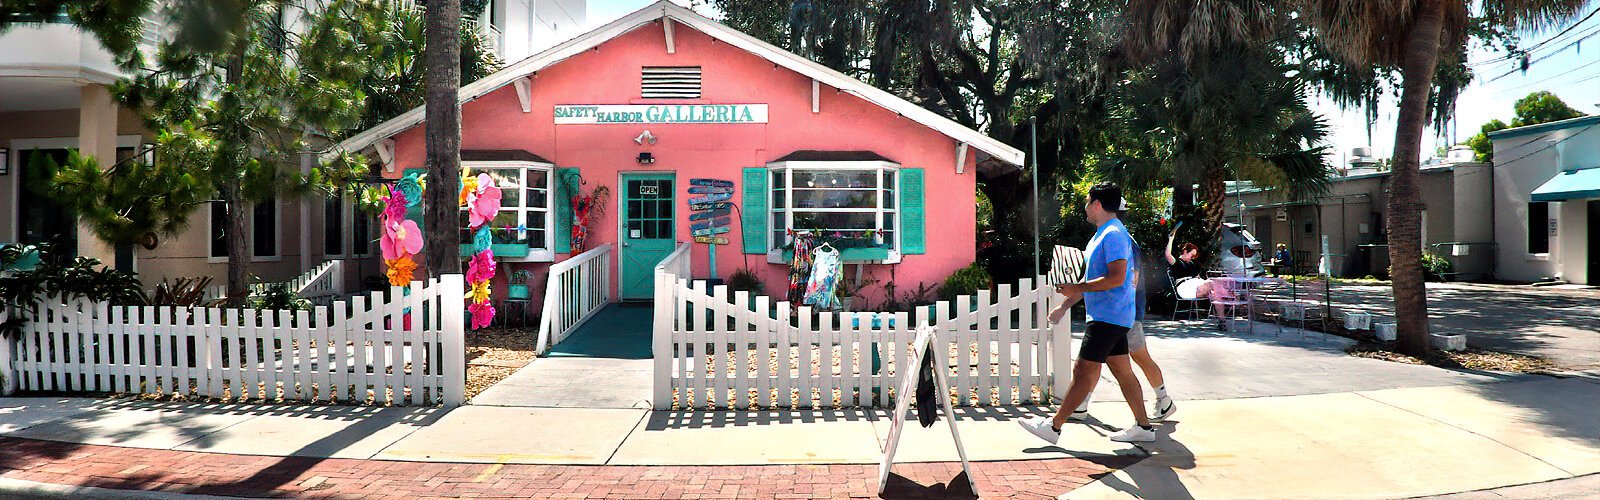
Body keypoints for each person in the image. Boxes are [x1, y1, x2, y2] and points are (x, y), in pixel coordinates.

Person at [1020, 183, 1157, 444]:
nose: (1084, 208)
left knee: (1083, 371)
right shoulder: (1101, 235)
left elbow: (1116, 278)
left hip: (1108, 316)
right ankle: (1144, 428)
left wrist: (1076, 288)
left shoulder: (1114, 235)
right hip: (1112, 316)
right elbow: (1092, 278)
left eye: (1086, 202)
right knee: (1122, 370)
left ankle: (1054, 427)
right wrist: (1064, 305)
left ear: (1096, 204)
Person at [1044, 224, 1177, 425]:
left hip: (1121, 313)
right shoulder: (1107, 236)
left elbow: (1125, 278)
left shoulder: (1118, 239)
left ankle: (1162, 401)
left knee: (1136, 358)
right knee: (1102, 364)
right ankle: (1085, 407)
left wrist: (1066, 305)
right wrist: (1065, 306)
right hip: (1118, 313)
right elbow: (1092, 280)